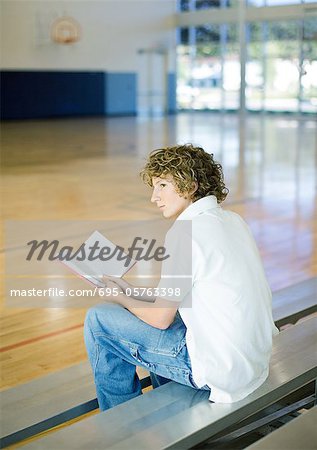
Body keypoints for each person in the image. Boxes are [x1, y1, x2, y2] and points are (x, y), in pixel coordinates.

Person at [84, 144, 279, 411]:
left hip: (222, 372)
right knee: (151, 315)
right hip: (252, 364)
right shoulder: (232, 220)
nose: (154, 197)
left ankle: (121, 426)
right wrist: (128, 290)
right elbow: (180, 297)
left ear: (191, 186)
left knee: (99, 320)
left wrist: (117, 296)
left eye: (162, 185)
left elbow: (161, 319)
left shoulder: (185, 233)